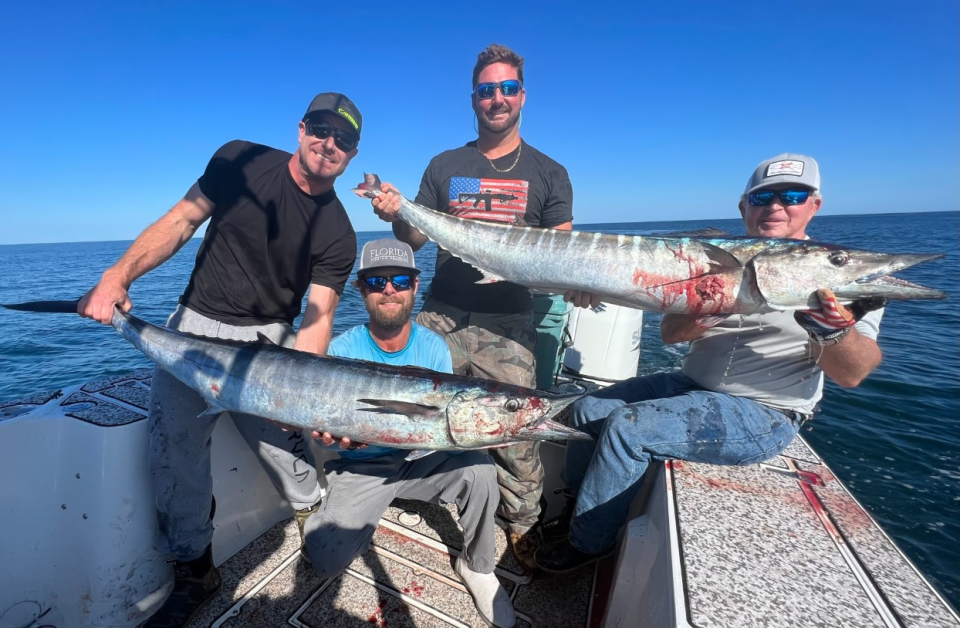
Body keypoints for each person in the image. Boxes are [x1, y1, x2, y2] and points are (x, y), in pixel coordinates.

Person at [77, 93, 362, 626]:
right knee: (171, 455)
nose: (329, 144)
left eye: (343, 140)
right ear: (301, 128)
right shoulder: (241, 159)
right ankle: (195, 568)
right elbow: (182, 221)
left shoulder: (339, 232)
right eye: (322, 129)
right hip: (193, 330)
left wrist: (300, 396)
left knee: (287, 448)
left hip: (269, 346)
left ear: (352, 154)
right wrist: (117, 277)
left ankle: (310, 512)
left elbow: (318, 317)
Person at [534, 153, 888, 573]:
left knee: (629, 429)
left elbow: (854, 372)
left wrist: (834, 331)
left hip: (765, 411)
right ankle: (576, 506)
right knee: (587, 408)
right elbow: (670, 335)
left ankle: (588, 545)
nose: (776, 206)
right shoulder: (714, 260)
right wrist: (708, 308)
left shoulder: (839, 274)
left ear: (814, 204)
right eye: (763, 197)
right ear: (744, 207)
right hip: (690, 385)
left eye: (793, 195)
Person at [369, 43, 594, 571]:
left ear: (522, 96)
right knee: (403, 409)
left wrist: (583, 283)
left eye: (507, 89)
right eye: (487, 90)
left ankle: (520, 526)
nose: (497, 98)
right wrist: (395, 213)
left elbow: (561, 253)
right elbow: (414, 238)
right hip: (442, 310)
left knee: (518, 433)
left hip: (508, 319)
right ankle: (391, 491)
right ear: (474, 98)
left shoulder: (549, 172)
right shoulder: (445, 165)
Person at [305, 238, 517, 628]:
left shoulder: (434, 346)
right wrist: (327, 437)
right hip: (360, 467)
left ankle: (478, 567)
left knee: (481, 470)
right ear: (361, 290)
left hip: (417, 461)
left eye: (400, 280)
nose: (389, 290)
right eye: (376, 282)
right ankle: (358, 510)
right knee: (324, 561)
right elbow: (325, 429)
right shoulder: (342, 349)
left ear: (415, 287)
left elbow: (442, 426)